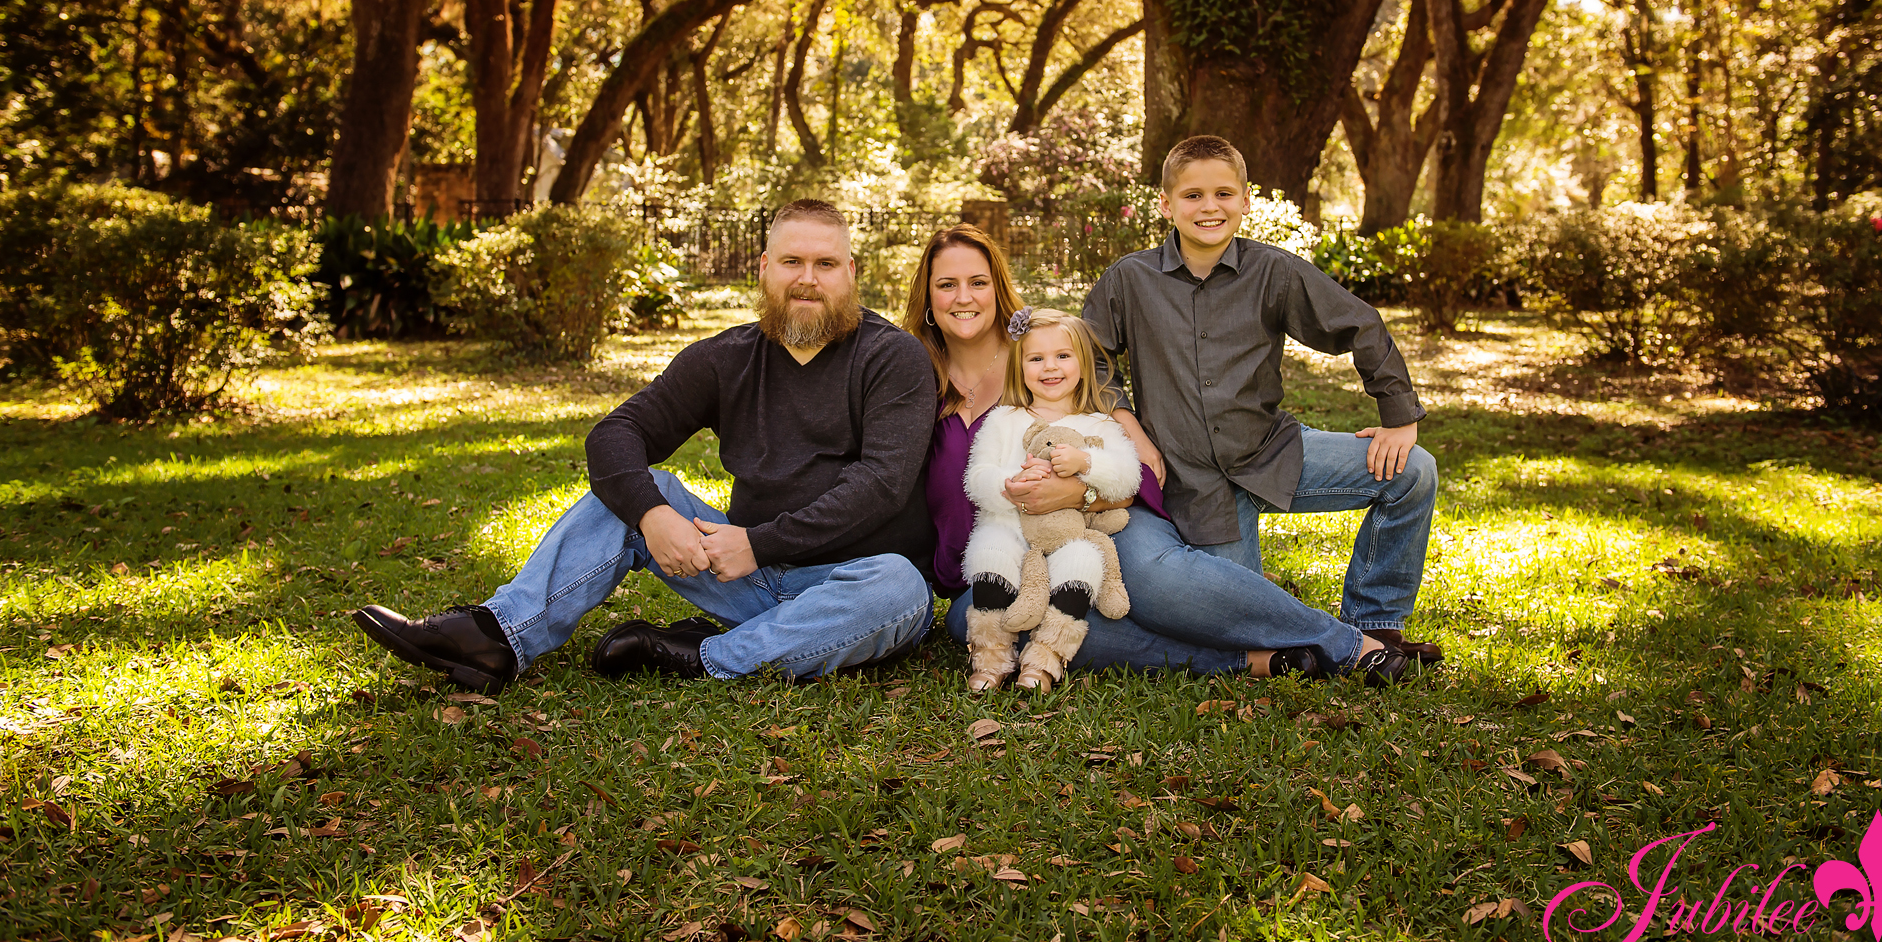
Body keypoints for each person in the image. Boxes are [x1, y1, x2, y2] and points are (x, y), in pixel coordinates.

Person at [352, 200, 940, 692]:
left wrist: (760, 544)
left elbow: (882, 485)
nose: (807, 278)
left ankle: (708, 656)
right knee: (644, 489)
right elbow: (615, 435)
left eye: (825, 263)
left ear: (850, 272)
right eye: (792, 261)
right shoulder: (724, 358)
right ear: (764, 268)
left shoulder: (891, 357)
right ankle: (496, 636)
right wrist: (652, 514)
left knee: (900, 585)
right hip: (746, 576)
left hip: (854, 588)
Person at [908, 225, 1388, 683]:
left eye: (977, 282)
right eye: (947, 285)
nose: (963, 297)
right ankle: (1252, 660)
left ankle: (1349, 645)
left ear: (998, 290)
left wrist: (1081, 487)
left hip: (1108, 514)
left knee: (1155, 583)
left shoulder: (1042, 354)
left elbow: (1116, 442)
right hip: (1003, 549)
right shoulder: (912, 377)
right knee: (967, 623)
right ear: (928, 298)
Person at [1084, 134, 1443, 679]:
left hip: (1270, 453)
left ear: (1246, 200)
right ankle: (1331, 646)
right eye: (1193, 195)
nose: (1210, 207)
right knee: (1243, 616)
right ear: (1166, 204)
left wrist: (1399, 416)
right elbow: (1091, 361)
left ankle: (1377, 626)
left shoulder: (1274, 272)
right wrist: (1128, 423)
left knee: (1412, 472)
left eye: (1224, 193)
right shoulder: (1129, 279)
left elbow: (1359, 323)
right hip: (1193, 481)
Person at [959, 308, 1142, 690]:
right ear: (1019, 366)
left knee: (1084, 561)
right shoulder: (1004, 418)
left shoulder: (1100, 423)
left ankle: (1046, 658)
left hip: (1067, 533)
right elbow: (975, 477)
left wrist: (1086, 462)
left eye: (1062, 356)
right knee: (990, 554)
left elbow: (1128, 478)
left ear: (1083, 362)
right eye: (1036, 358)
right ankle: (991, 657)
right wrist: (1009, 485)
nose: (1050, 367)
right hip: (1008, 524)